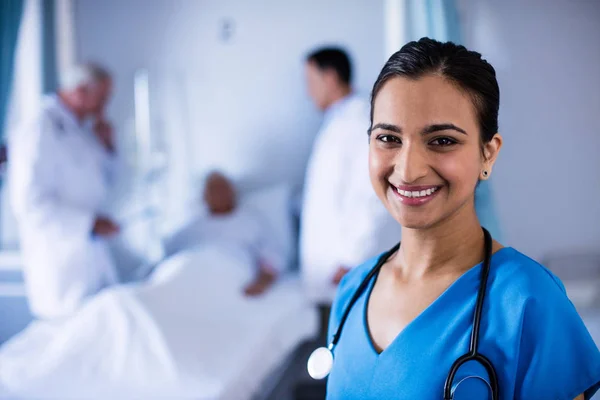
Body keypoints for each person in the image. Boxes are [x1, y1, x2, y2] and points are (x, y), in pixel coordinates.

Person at [325, 38, 600, 399]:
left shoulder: (528, 302)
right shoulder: (352, 292)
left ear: (488, 154)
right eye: (388, 138)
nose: (407, 170)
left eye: (441, 141)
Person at [8, 63, 120, 319]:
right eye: (102, 97)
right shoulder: (39, 128)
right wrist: (88, 224)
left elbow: (107, 182)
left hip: (89, 259)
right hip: (60, 261)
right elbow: (29, 204)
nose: (106, 105)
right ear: (80, 91)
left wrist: (109, 146)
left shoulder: (83, 130)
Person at [300, 47, 401, 303]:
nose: (307, 91)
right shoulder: (336, 122)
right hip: (332, 271)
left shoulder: (359, 122)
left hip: (348, 266)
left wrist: (350, 258)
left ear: (330, 78)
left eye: (310, 81)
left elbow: (371, 192)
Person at [163, 171, 285, 296]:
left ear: (233, 191)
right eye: (213, 190)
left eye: (222, 189)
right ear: (204, 196)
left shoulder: (250, 221)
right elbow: (169, 257)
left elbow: (272, 257)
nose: (219, 194)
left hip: (231, 276)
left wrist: (262, 282)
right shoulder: (191, 227)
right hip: (191, 276)